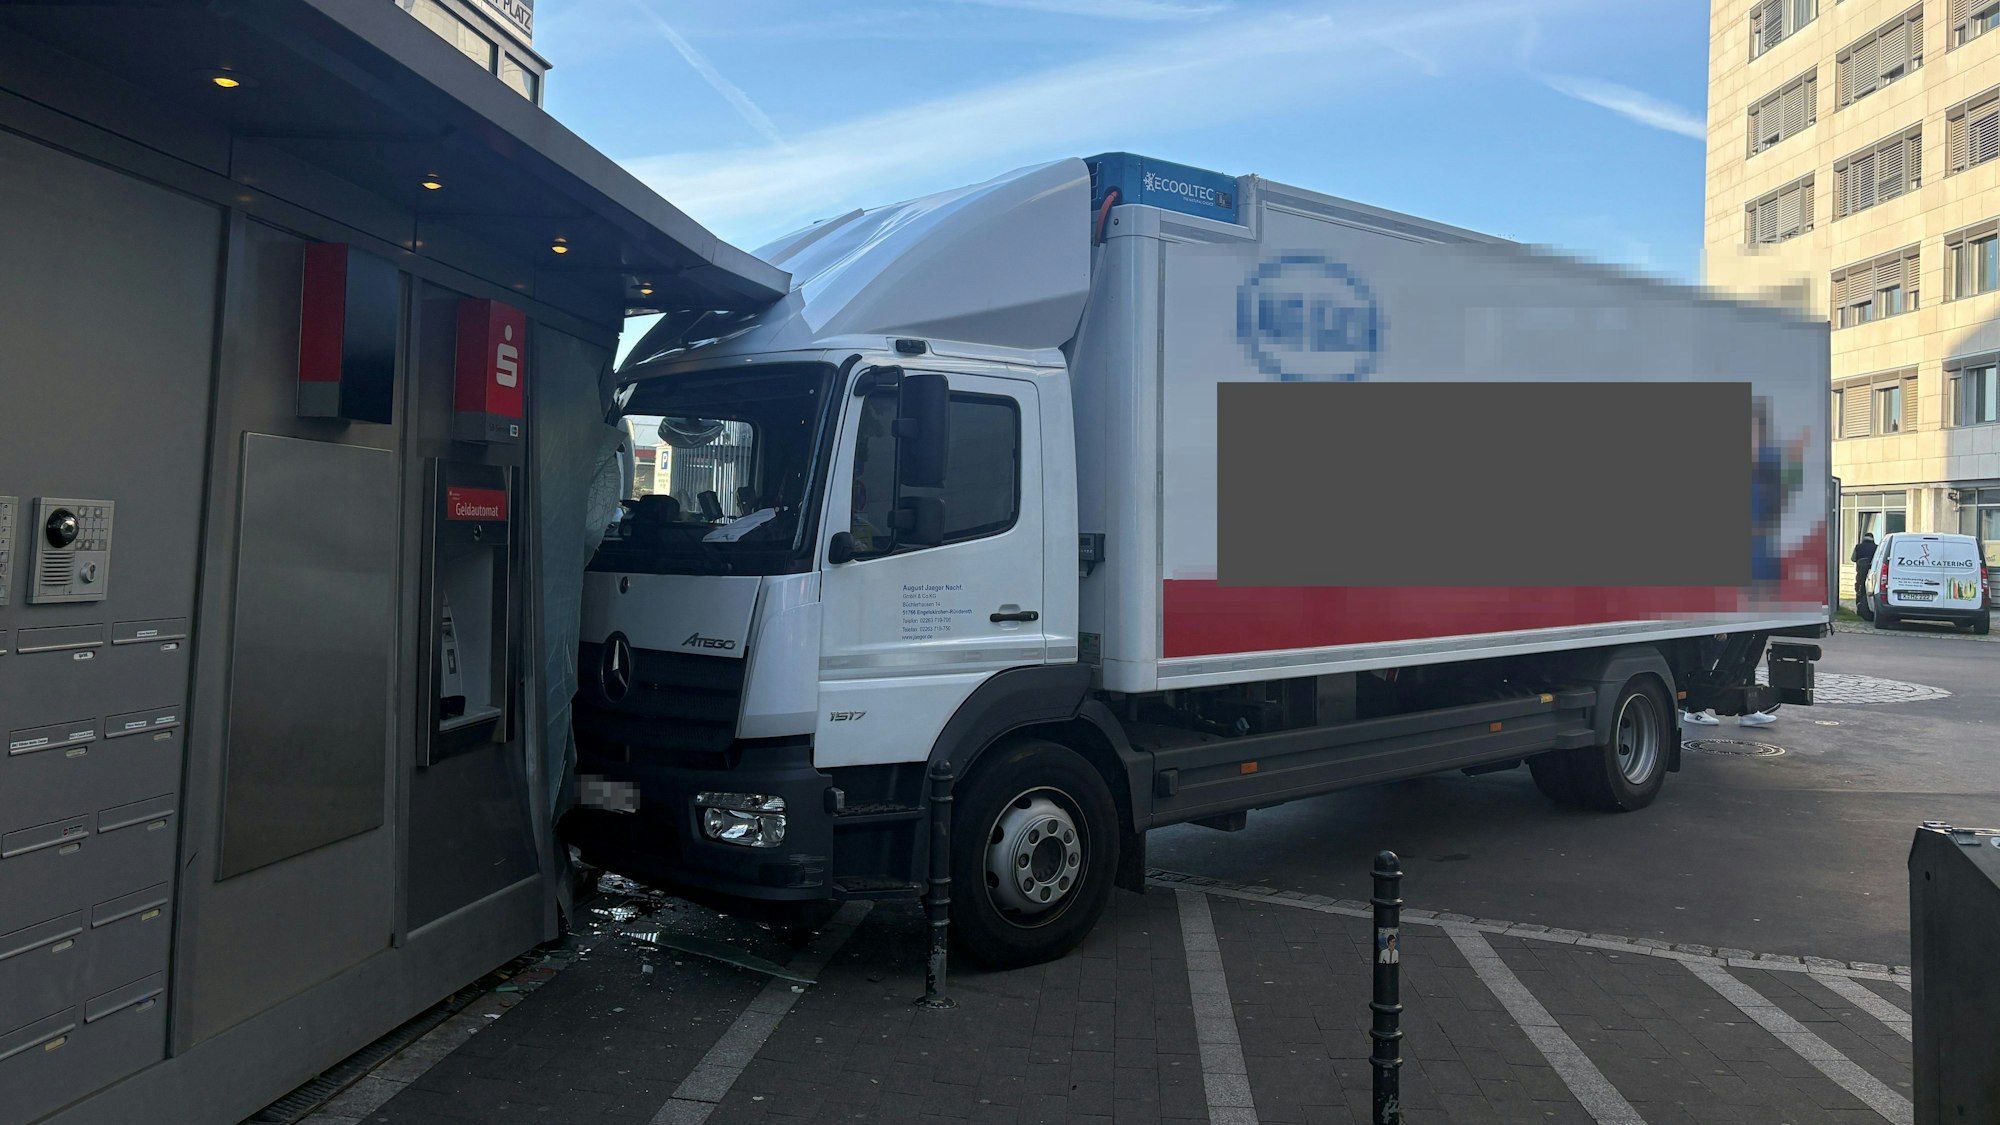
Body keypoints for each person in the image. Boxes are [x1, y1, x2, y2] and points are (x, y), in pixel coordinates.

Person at [1851, 531, 1878, 609]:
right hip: (1871, 572)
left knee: (1859, 587)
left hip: (1860, 572)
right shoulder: (1876, 547)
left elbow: (1853, 559)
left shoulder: (1858, 547)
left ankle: (1859, 604)